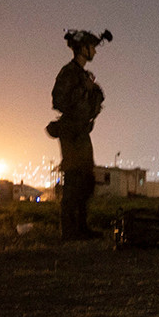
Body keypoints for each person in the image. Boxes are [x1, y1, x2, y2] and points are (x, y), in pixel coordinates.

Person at [49, 28, 110, 241]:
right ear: (82, 49)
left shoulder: (83, 76)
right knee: (74, 180)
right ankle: (69, 231)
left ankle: (81, 228)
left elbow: (94, 102)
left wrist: (92, 92)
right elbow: (59, 101)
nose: (95, 50)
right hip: (72, 133)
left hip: (82, 132)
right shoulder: (69, 73)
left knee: (86, 181)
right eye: (92, 47)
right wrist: (83, 90)